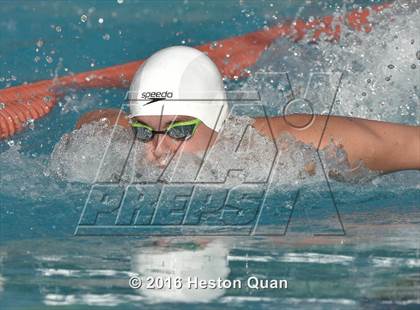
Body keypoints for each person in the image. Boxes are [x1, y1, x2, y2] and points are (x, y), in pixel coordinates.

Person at [75, 46, 420, 174]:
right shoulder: (131, 148)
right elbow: (95, 121)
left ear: (216, 121)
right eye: (145, 131)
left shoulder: (285, 152)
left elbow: (408, 145)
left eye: (180, 130)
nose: (159, 150)